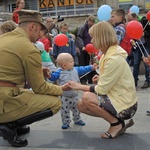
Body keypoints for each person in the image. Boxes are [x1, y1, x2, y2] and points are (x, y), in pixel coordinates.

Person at [0, 9, 70, 147]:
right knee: (55, 102)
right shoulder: (29, 48)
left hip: (5, 93)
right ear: (32, 26)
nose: (40, 35)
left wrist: (38, 71)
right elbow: (39, 87)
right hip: (4, 100)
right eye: (39, 30)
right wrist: (61, 89)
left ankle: (12, 123)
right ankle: (8, 125)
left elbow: (9, 69)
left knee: (27, 94)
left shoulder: (4, 38)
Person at [68, 21, 137, 139]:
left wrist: (78, 86)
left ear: (101, 38)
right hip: (118, 98)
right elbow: (115, 78)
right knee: (80, 105)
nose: (91, 41)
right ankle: (117, 121)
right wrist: (101, 78)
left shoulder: (113, 59)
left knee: (86, 97)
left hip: (126, 106)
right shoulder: (107, 55)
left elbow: (102, 89)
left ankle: (116, 124)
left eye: (93, 37)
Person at [49, 53, 97, 129]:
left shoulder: (75, 69)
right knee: (64, 110)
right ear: (64, 65)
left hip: (75, 95)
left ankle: (77, 119)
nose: (73, 63)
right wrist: (48, 74)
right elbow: (52, 77)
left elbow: (83, 69)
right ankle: (66, 122)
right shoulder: (59, 72)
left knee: (77, 108)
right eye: (71, 62)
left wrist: (91, 67)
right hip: (64, 96)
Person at [127, 12, 150, 88]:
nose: (130, 22)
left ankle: (147, 81)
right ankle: (134, 80)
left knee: (147, 63)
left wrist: (145, 34)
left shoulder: (145, 21)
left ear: (136, 18)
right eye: (129, 21)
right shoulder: (131, 25)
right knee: (136, 63)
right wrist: (132, 41)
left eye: (131, 20)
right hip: (137, 46)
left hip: (146, 44)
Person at [76, 15, 96, 84]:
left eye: (93, 22)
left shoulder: (93, 28)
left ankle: (90, 79)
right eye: (91, 21)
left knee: (90, 63)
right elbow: (79, 37)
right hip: (83, 49)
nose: (92, 23)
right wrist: (82, 46)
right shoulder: (82, 28)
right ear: (88, 21)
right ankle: (83, 79)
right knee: (83, 64)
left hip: (90, 48)